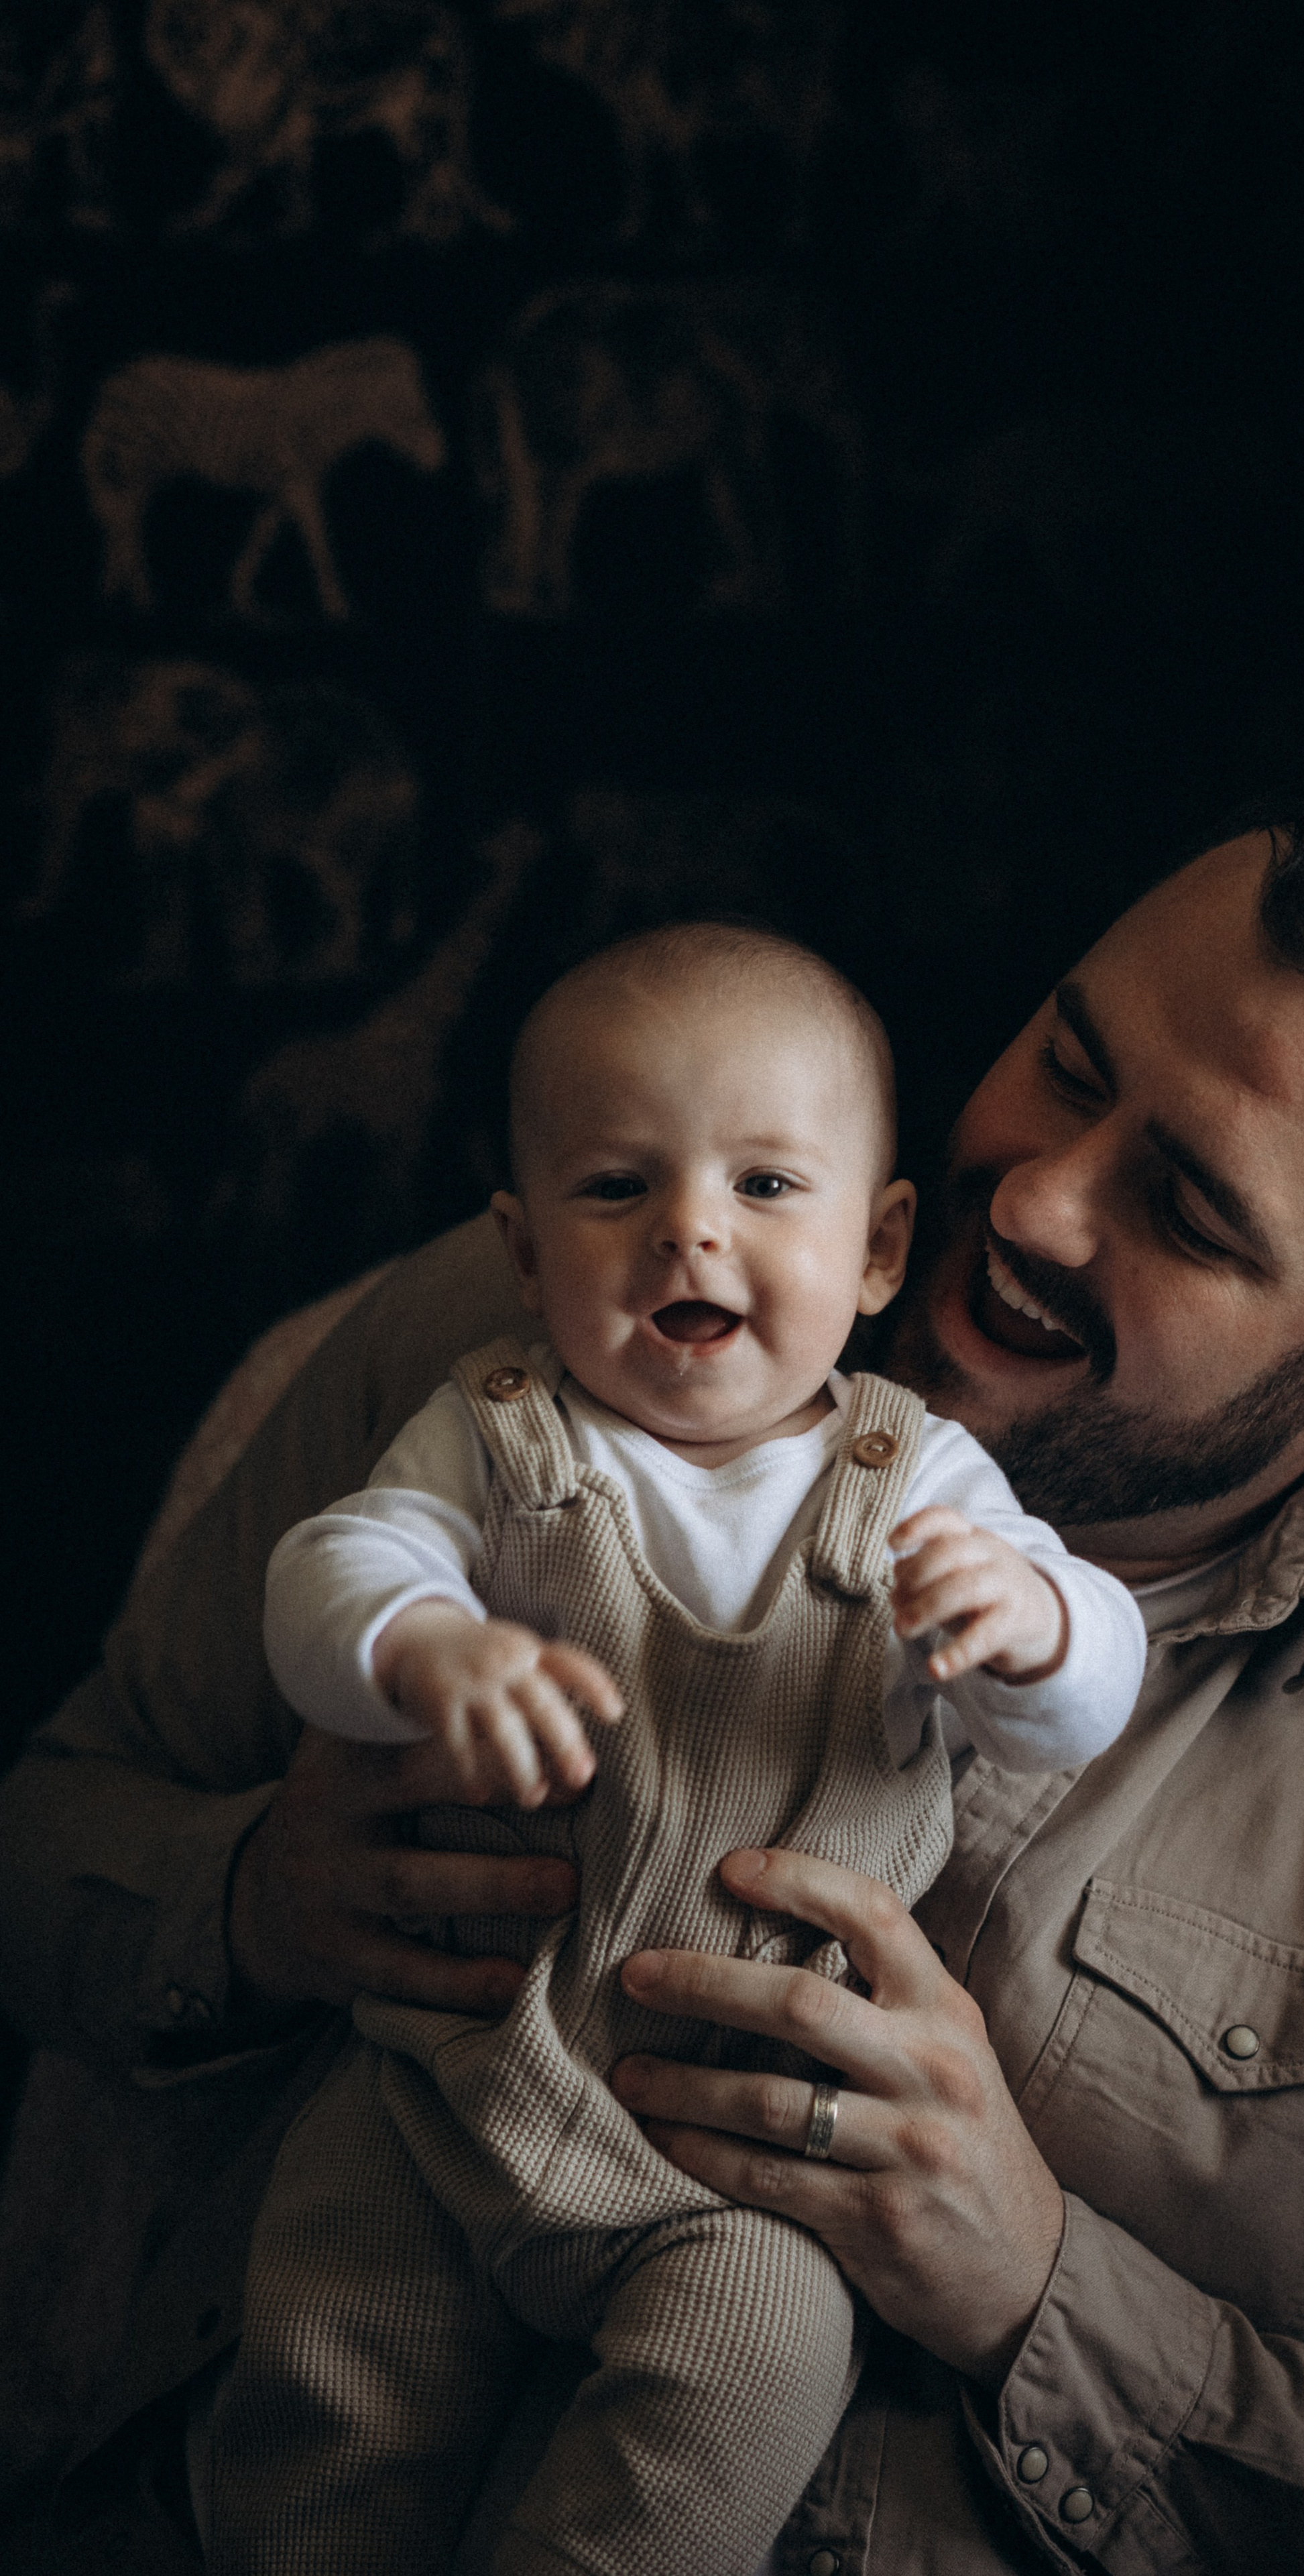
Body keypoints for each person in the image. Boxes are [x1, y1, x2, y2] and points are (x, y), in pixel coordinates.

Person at [2, 806, 1304, 2576]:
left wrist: (1040, 2290)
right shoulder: (538, 1331)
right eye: (1067, 1062)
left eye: (1186, 1206)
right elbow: (49, 1834)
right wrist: (256, 1904)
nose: (1038, 1196)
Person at [209, 924, 1144, 2576]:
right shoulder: (498, 1430)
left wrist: (1035, 1622)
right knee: (322, 2373)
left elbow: (1084, 1696)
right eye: (615, 1187)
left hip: (736, 2164)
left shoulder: (918, 1480)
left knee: (755, 2372)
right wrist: (421, 1640)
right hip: (446, 2085)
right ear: (520, 1247)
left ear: (877, 1248)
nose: (689, 1228)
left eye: (766, 1185)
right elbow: (325, 1577)